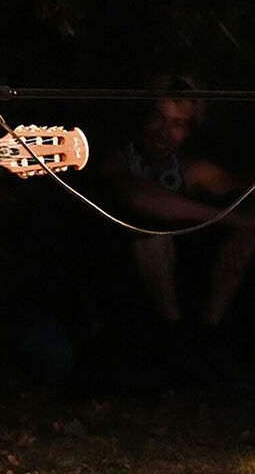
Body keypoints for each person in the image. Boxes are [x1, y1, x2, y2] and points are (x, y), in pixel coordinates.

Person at [104, 75, 253, 379]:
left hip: (186, 287)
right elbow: (138, 197)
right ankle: (175, 341)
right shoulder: (119, 157)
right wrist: (235, 220)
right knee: (149, 235)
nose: (164, 132)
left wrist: (247, 229)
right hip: (122, 285)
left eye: (177, 124)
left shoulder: (189, 169)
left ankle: (206, 337)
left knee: (247, 241)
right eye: (158, 118)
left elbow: (246, 190)